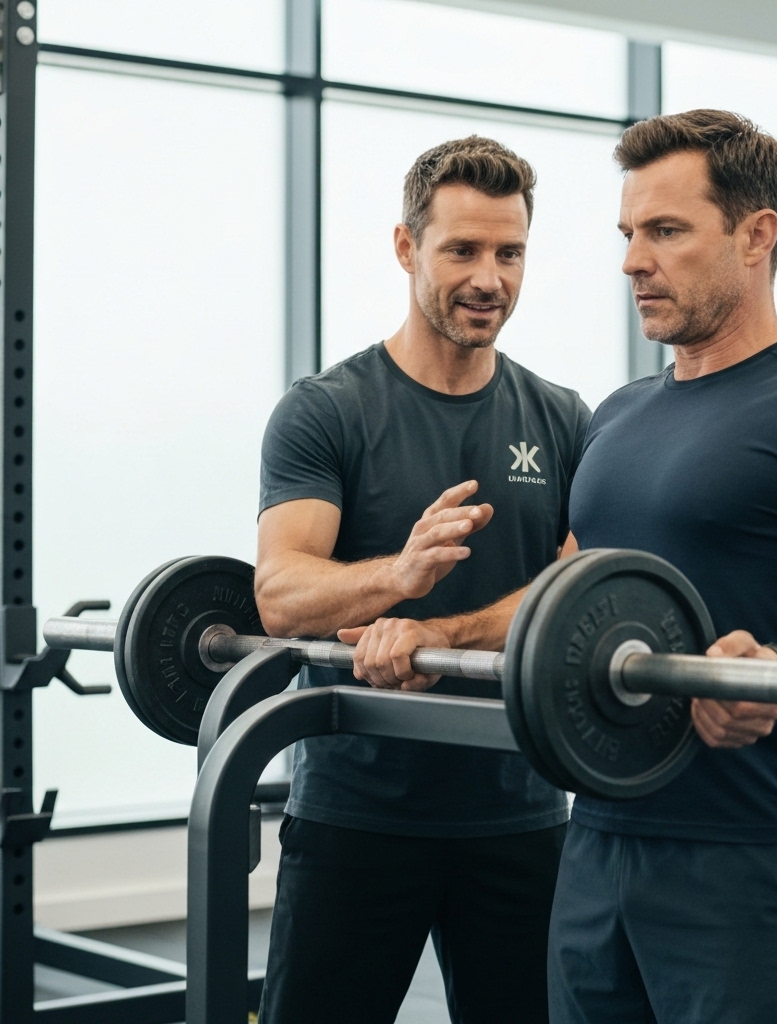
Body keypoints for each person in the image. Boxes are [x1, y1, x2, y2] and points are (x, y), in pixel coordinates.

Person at [352, 110, 777, 1024]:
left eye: (665, 231)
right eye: (628, 234)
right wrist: (436, 634)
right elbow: (567, 593)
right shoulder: (618, 416)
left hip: (751, 843)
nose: (631, 262)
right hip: (601, 836)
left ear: (755, 235)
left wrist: (774, 668)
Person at [254, 135, 590, 1024]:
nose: (490, 278)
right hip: (358, 814)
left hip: (520, 811)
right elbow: (280, 592)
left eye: (509, 252)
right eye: (463, 250)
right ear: (407, 249)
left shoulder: (561, 418)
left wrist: (445, 631)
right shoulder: (329, 410)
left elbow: (578, 596)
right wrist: (397, 577)